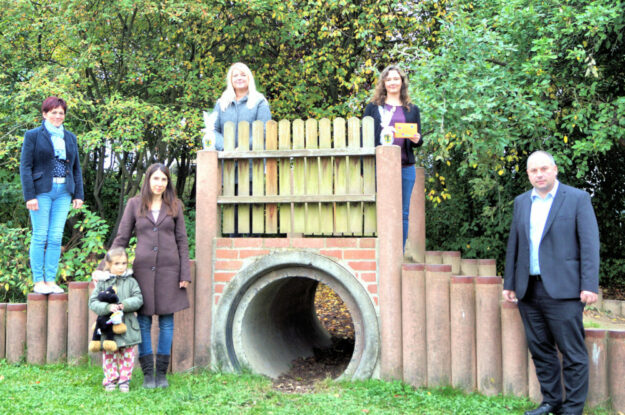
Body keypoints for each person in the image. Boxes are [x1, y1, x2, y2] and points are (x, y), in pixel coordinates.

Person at [503, 151, 599, 415]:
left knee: (573, 353)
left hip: (565, 290)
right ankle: (550, 402)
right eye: (534, 171)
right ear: (528, 174)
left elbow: (590, 245)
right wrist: (510, 282)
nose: (539, 174)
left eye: (544, 169)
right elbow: (515, 244)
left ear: (555, 169)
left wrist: (589, 284)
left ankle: (573, 409)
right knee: (541, 350)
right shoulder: (522, 202)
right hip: (528, 289)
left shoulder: (577, 199)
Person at [102, 163, 191, 388]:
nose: (159, 184)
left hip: (170, 270)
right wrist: (106, 266)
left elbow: (182, 240)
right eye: (155, 179)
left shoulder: (175, 206)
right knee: (142, 321)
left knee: (167, 321)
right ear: (147, 180)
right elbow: (122, 237)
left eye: (163, 179)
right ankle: (148, 375)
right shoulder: (134, 204)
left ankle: (161, 375)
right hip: (142, 271)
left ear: (168, 182)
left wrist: (184, 272)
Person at [20, 96, 84, 294]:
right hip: (42, 192)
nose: (58, 116)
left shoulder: (70, 137)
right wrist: (29, 195)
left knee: (56, 238)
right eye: (54, 112)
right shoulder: (33, 135)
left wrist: (78, 194)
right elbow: (25, 167)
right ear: (45, 114)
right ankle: (38, 281)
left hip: (64, 192)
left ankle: (51, 280)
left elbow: (76, 168)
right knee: (40, 236)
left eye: (61, 113)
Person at [364, 65, 423, 250]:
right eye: (388, 79)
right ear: (383, 83)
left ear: (402, 82)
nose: (392, 82)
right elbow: (364, 137)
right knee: (380, 209)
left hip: (405, 167)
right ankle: (381, 248)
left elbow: (417, 139)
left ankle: (399, 250)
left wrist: (417, 139)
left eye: (396, 79)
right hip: (380, 167)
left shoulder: (412, 109)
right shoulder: (373, 108)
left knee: (403, 212)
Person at [90, 247, 143, 392]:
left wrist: (123, 305)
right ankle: (110, 380)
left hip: (127, 325)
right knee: (109, 354)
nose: (121, 267)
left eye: (124, 263)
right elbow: (93, 302)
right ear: (108, 264)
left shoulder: (131, 281)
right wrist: (107, 308)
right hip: (109, 327)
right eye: (117, 264)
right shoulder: (102, 283)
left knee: (127, 354)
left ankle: (124, 380)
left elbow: (138, 299)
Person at [206, 62, 272, 150]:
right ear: (231, 80)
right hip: (226, 159)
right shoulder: (221, 103)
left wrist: (242, 148)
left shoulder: (259, 102)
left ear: (249, 78)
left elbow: (264, 130)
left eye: (243, 75)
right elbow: (213, 130)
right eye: (235, 76)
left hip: (253, 160)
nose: (239, 78)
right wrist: (227, 148)